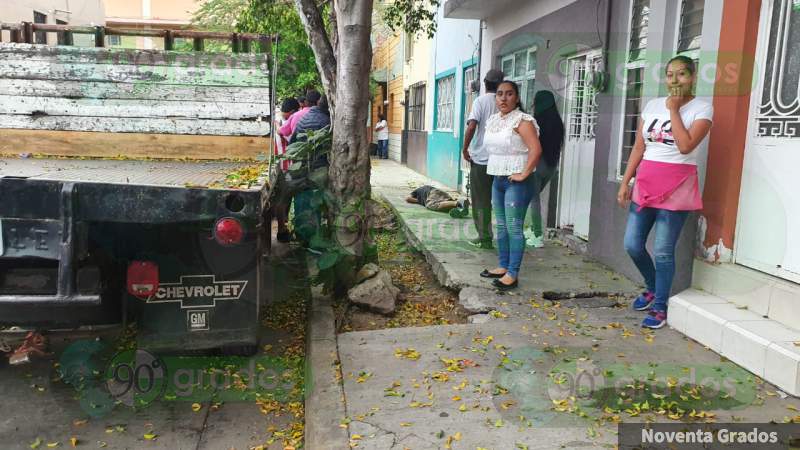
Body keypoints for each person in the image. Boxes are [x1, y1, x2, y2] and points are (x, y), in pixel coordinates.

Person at [617, 55, 713, 329]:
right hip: (645, 183)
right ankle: (652, 287)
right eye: (670, 75)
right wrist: (626, 182)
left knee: (662, 251)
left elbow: (685, 146)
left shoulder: (702, 109)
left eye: (681, 74)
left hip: (677, 186)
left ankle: (660, 306)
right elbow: (639, 147)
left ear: (692, 77)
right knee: (632, 245)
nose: (674, 80)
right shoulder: (651, 105)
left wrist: (674, 110)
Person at [479, 81, 543, 290]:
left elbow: (536, 150)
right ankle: (503, 266)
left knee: (514, 227)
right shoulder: (494, 120)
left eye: (509, 94)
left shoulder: (523, 121)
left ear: (516, 97)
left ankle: (513, 273)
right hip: (497, 178)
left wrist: (524, 173)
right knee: (501, 226)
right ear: (495, 97)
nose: (503, 99)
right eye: (499, 94)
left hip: (517, 182)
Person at [462, 68, 504, 250]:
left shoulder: (480, 101)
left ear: (485, 83)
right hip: (503, 160)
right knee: (502, 200)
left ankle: (485, 238)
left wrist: (465, 148)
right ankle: (506, 239)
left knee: (481, 200)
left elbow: (472, 126)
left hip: (481, 160)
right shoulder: (506, 102)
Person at [523, 90, 565, 248]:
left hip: (537, 166)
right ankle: (534, 229)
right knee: (532, 198)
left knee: (533, 200)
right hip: (551, 167)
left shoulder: (535, 122)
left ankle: (538, 235)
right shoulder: (558, 123)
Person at [291, 94, 331, 248]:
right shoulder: (326, 121)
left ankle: (301, 237)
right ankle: (314, 239)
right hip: (318, 170)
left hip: (301, 168)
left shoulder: (303, 119)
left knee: (301, 203)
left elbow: (292, 142)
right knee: (316, 204)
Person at [273, 97, 300, 242]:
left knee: (279, 198)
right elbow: (292, 140)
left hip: (272, 165)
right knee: (284, 198)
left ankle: (283, 226)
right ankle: (282, 230)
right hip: (285, 165)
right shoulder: (288, 120)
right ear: (292, 111)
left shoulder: (272, 117)